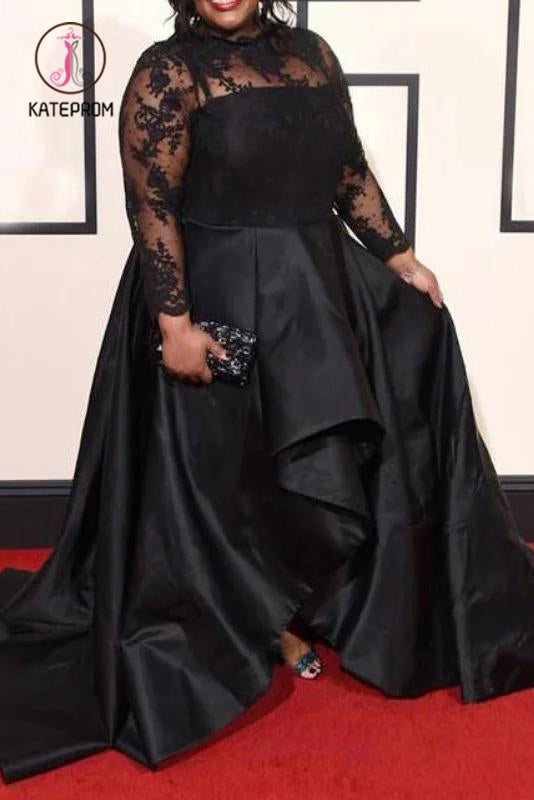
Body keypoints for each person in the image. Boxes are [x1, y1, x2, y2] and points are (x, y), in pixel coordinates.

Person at [1, 0, 534, 783]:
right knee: (231, 474)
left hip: (312, 294)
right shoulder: (168, 71)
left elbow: (348, 172)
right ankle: (258, 624)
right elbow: (152, 204)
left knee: (321, 444)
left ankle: (305, 605)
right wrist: (174, 322)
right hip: (214, 294)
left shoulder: (312, 55)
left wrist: (398, 257)